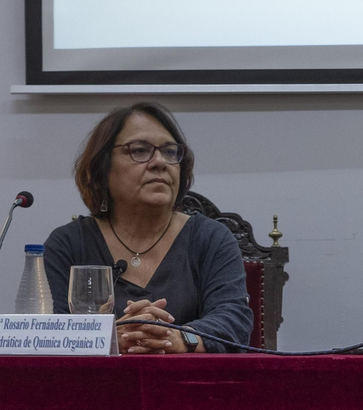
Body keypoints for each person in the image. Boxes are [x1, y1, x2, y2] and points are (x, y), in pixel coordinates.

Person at [43, 103, 253, 354]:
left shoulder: (211, 238)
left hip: (191, 388)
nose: (159, 162)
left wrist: (176, 338)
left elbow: (234, 319)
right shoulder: (69, 243)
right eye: (140, 150)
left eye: (169, 151)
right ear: (102, 167)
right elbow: (53, 330)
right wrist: (111, 338)